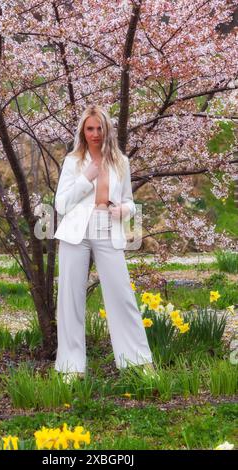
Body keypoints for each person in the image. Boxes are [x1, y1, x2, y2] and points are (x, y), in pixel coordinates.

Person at [53, 104, 154, 383]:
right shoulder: (73, 162)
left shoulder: (121, 162)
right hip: (76, 232)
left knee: (122, 296)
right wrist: (87, 179)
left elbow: (130, 202)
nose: (95, 134)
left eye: (99, 128)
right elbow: (60, 204)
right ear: (83, 131)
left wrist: (125, 210)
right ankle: (71, 368)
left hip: (108, 229)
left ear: (107, 129)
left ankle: (138, 362)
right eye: (89, 128)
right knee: (70, 299)